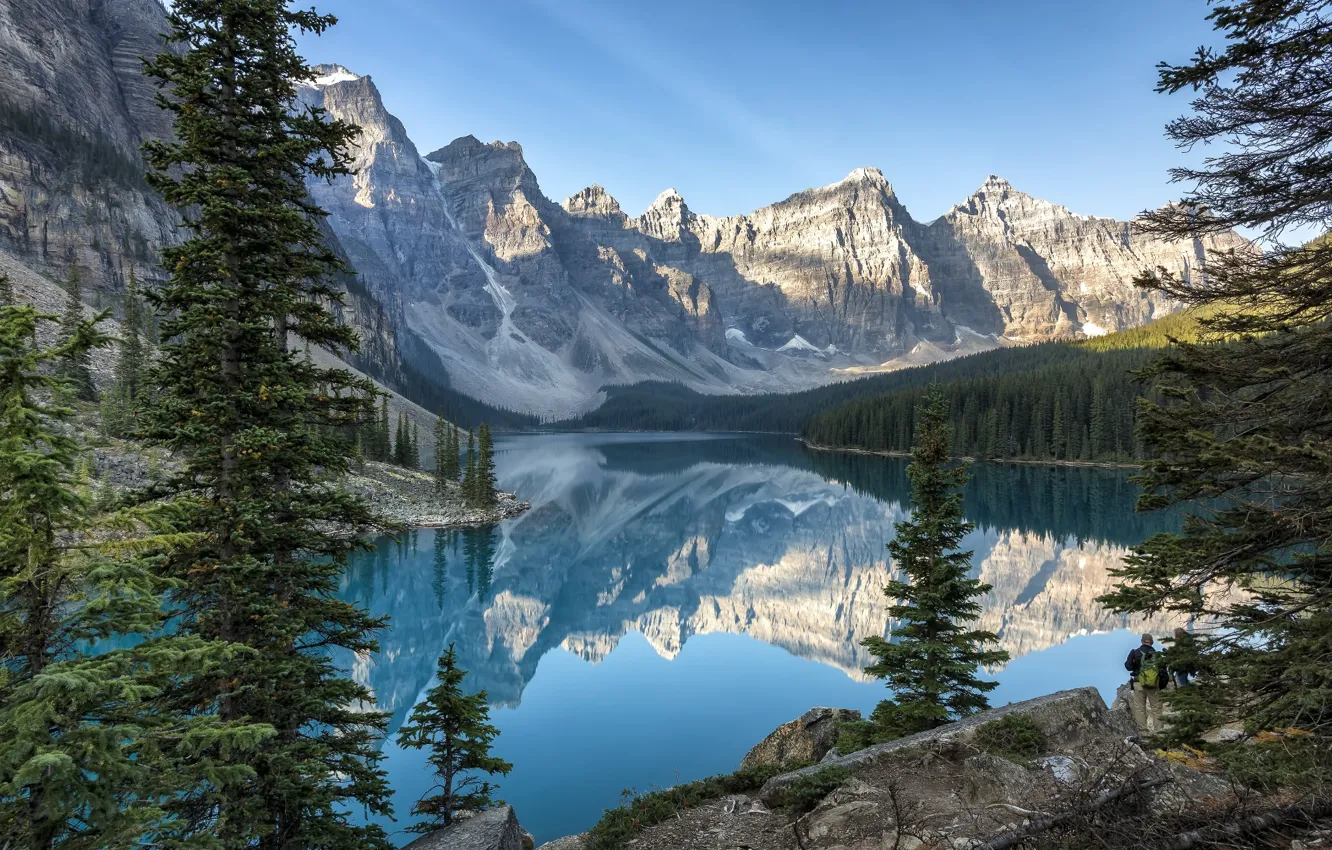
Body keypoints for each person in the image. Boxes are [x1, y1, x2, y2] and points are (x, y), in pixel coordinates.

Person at [1124, 633, 1166, 734]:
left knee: (1140, 709)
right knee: (1156, 709)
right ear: (1152, 642)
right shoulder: (1157, 655)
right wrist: (1160, 686)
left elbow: (1128, 667)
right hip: (1154, 685)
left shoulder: (1135, 652)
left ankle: (1144, 733)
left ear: (1142, 641)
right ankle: (1159, 733)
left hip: (1139, 684)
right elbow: (1164, 673)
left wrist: (1132, 658)